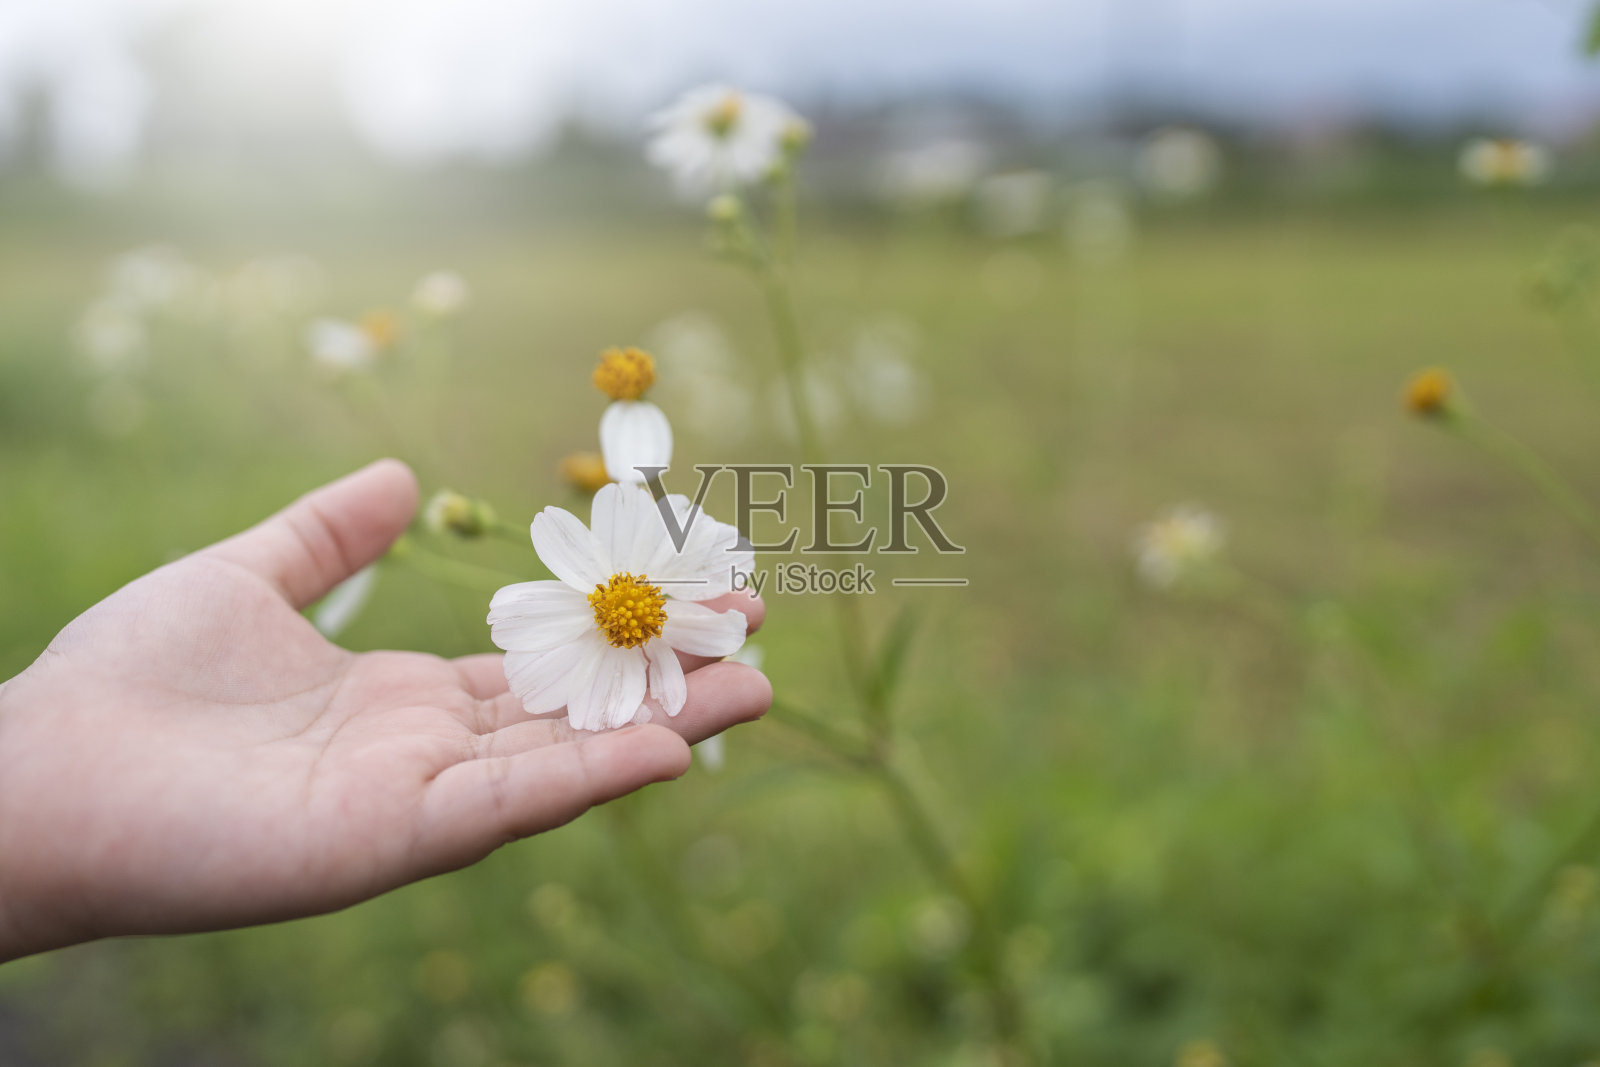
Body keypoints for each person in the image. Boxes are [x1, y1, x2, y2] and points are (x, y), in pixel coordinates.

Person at [0, 460, 770, 964]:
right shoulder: (589, 605)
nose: (627, 609)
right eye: (623, 607)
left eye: (631, 609)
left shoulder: (645, 607)